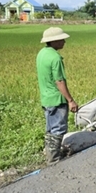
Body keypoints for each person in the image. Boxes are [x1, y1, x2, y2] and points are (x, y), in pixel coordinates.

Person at [36, 27, 78, 164]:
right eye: (61, 39)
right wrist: (70, 100)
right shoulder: (55, 58)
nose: (64, 41)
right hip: (56, 99)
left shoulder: (42, 53)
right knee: (58, 128)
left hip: (46, 98)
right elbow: (59, 81)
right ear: (53, 41)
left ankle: (51, 155)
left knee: (50, 129)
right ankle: (54, 160)